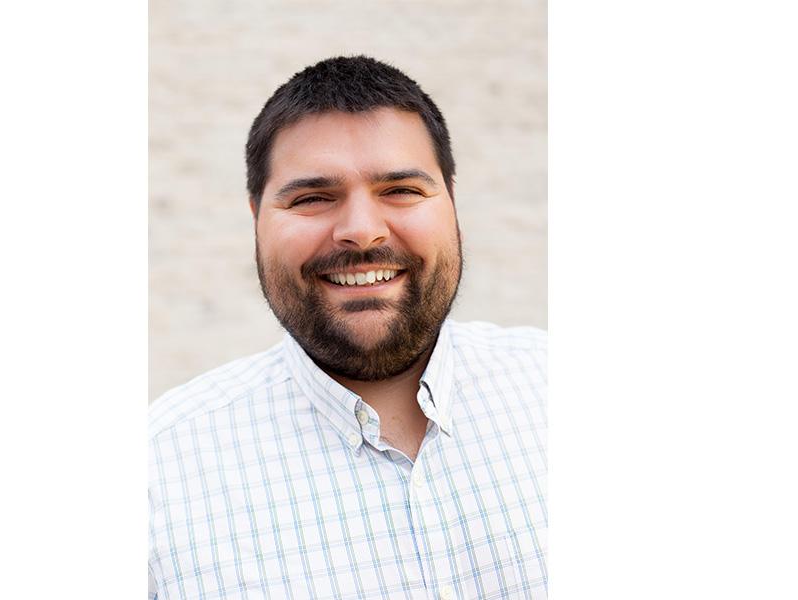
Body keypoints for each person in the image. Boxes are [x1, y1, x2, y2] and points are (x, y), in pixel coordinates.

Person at [148, 56, 547, 599]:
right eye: (312, 198)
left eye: (401, 190)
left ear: (451, 200)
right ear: (256, 219)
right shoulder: (154, 475)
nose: (361, 232)